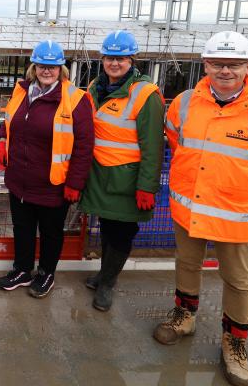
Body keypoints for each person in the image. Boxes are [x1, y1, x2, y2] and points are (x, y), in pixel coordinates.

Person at [153, 31, 248, 386]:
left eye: (234, 64)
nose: (225, 71)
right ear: (206, 64)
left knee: (237, 280)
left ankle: (234, 342)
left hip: (237, 213)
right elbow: (177, 142)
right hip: (190, 207)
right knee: (187, 264)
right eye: (218, 63)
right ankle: (184, 316)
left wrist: (236, 186)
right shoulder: (184, 103)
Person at [0, 40, 94, 298]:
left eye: (52, 65)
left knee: (51, 233)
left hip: (53, 183)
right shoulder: (21, 92)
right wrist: (2, 139)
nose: (46, 70)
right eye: (42, 65)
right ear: (34, 67)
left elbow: (84, 147)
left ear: (61, 68)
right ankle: (23, 270)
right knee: (22, 227)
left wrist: (75, 183)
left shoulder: (76, 99)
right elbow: (10, 121)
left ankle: (47, 273)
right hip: (19, 179)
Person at [78, 30, 164, 311]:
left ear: (131, 60)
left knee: (122, 233)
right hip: (100, 173)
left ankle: (108, 283)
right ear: (103, 59)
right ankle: (105, 273)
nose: (115, 63)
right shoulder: (95, 87)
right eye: (110, 58)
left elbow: (153, 145)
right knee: (107, 227)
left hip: (127, 179)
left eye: (121, 58)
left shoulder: (145, 94)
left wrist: (147, 185)